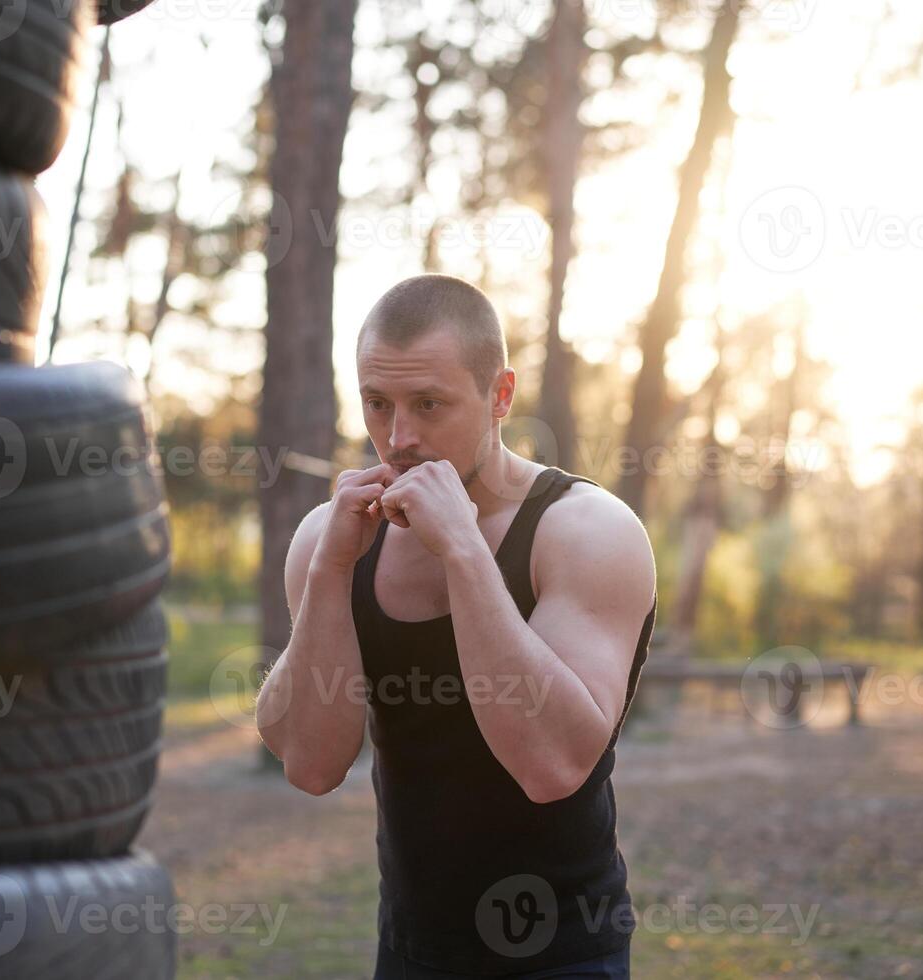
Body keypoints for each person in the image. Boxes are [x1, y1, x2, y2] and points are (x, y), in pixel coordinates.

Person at [256, 273, 657, 979]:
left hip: (562, 953)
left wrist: (465, 549)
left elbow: (553, 765)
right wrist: (329, 570)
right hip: (412, 952)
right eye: (377, 404)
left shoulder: (586, 532)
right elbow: (312, 765)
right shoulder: (334, 537)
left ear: (500, 396)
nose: (399, 438)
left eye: (430, 405)